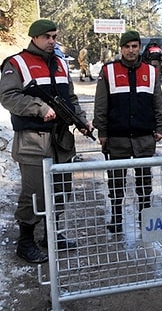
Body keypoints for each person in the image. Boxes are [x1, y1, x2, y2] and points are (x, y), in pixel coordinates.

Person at [0, 19, 93, 263]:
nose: (52, 41)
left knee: (61, 190)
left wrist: (82, 121)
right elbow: (8, 96)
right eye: (47, 37)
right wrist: (38, 108)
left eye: (54, 36)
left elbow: (70, 97)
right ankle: (26, 241)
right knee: (35, 193)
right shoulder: (16, 63)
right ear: (34, 38)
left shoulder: (61, 63)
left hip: (61, 139)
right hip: (33, 140)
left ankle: (52, 235)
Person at [93, 30, 162, 234]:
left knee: (144, 182)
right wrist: (102, 132)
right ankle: (116, 218)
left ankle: (145, 219)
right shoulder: (108, 71)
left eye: (135, 46)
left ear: (139, 48)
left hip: (144, 137)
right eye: (127, 47)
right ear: (121, 49)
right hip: (117, 138)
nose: (131, 50)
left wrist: (161, 126)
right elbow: (101, 104)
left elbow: (157, 102)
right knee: (116, 182)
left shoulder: (151, 71)